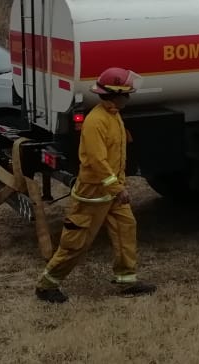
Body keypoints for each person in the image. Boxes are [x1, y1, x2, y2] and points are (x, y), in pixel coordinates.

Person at [34, 67, 157, 303]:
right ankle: (47, 284)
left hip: (112, 193)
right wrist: (116, 188)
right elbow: (97, 161)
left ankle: (126, 280)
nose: (128, 98)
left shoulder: (113, 116)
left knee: (125, 230)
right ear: (114, 95)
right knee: (77, 243)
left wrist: (117, 185)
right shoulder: (95, 121)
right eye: (126, 94)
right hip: (92, 195)